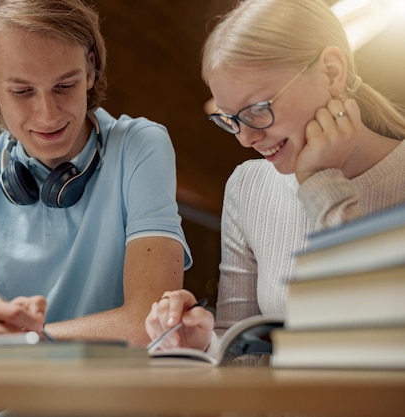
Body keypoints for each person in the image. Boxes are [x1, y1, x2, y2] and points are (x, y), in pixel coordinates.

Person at [0, 0, 192, 346]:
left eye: (65, 86)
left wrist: (13, 342)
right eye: (22, 91)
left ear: (90, 70)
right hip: (3, 398)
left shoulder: (140, 145)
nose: (48, 115)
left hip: (110, 397)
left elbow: (147, 323)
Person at [145, 0, 405, 353]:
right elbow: (245, 356)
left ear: (331, 72)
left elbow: (389, 328)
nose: (245, 138)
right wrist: (203, 343)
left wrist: (322, 186)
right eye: (230, 118)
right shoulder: (248, 186)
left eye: (257, 110)